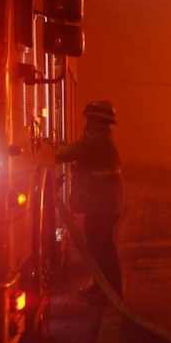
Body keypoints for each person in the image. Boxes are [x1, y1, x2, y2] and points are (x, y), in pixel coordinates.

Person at [56, 100, 123, 302]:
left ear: (96, 121)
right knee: (98, 249)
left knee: (102, 251)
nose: (87, 124)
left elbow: (65, 154)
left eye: (89, 120)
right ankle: (101, 287)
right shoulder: (102, 142)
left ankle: (110, 293)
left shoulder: (97, 142)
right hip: (104, 205)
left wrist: (45, 149)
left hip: (101, 207)